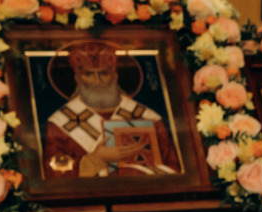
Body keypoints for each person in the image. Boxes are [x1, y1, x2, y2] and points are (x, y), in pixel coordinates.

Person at [42, 39, 177, 179]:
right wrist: (95, 159)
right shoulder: (61, 122)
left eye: (103, 73)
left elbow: (172, 167)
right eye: (88, 74)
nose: (97, 81)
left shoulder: (147, 117)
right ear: (77, 78)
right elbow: (53, 168)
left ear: (115, 77)